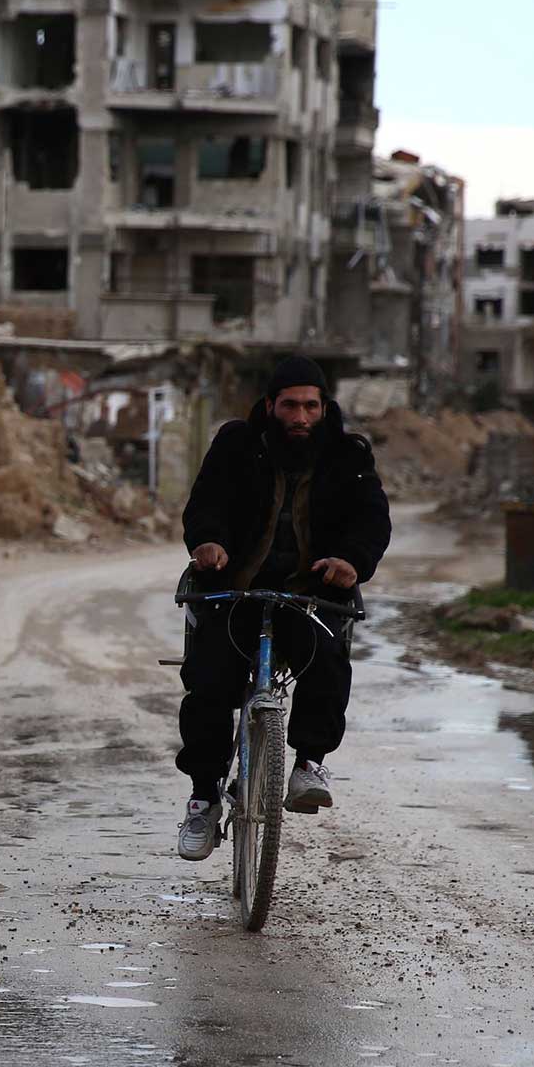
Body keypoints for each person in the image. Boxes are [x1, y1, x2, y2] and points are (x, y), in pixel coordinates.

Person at [176, 355, 391, 861]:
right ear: (270, 406)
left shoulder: (348, 455)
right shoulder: (236, 446)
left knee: (327, 659)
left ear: (324, 407)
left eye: (310, 406)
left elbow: (372, 519)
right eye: (290, 406)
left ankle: (308, 764)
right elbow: (204, 502)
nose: (300, 417)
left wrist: (352, 562)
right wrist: (208, 542)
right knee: (207, 683)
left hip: (309, 595)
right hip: (236, 594)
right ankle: (203, 798)